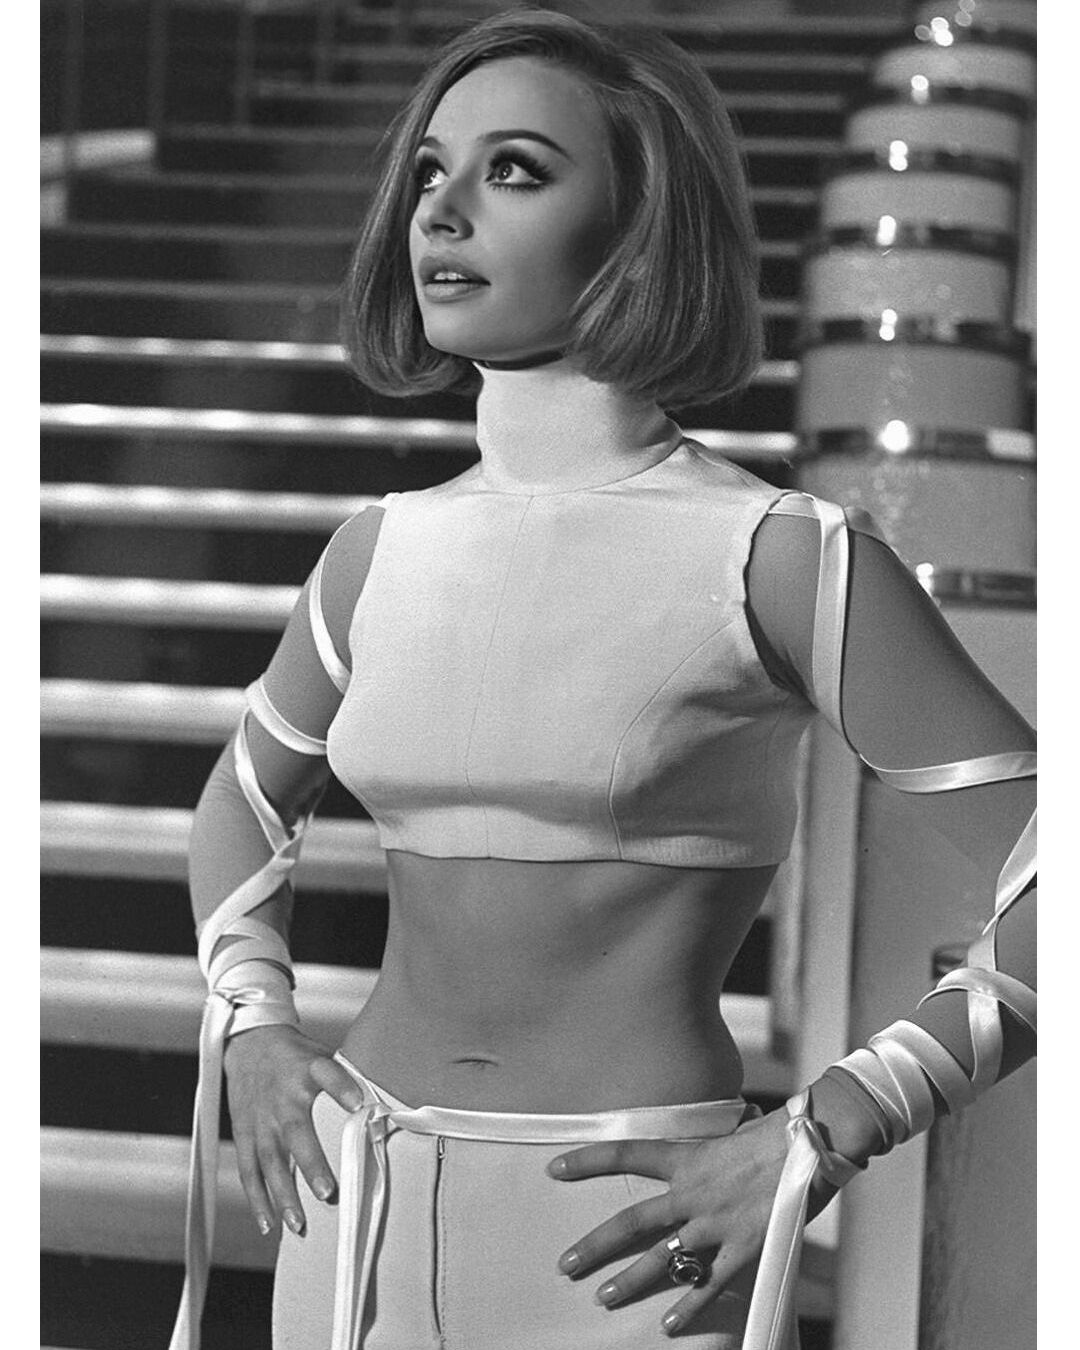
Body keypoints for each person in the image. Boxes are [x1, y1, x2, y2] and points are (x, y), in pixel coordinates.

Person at [168, 9, 1036, 1349]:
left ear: (639, 224)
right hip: (352, 1205)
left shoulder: (777, 554)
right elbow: (240, 802)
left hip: (633, 1240)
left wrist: (827, 1128)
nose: (444, 208)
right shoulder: (376, 551)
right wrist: (252, 1025)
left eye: (514, 169)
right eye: (430, 171)